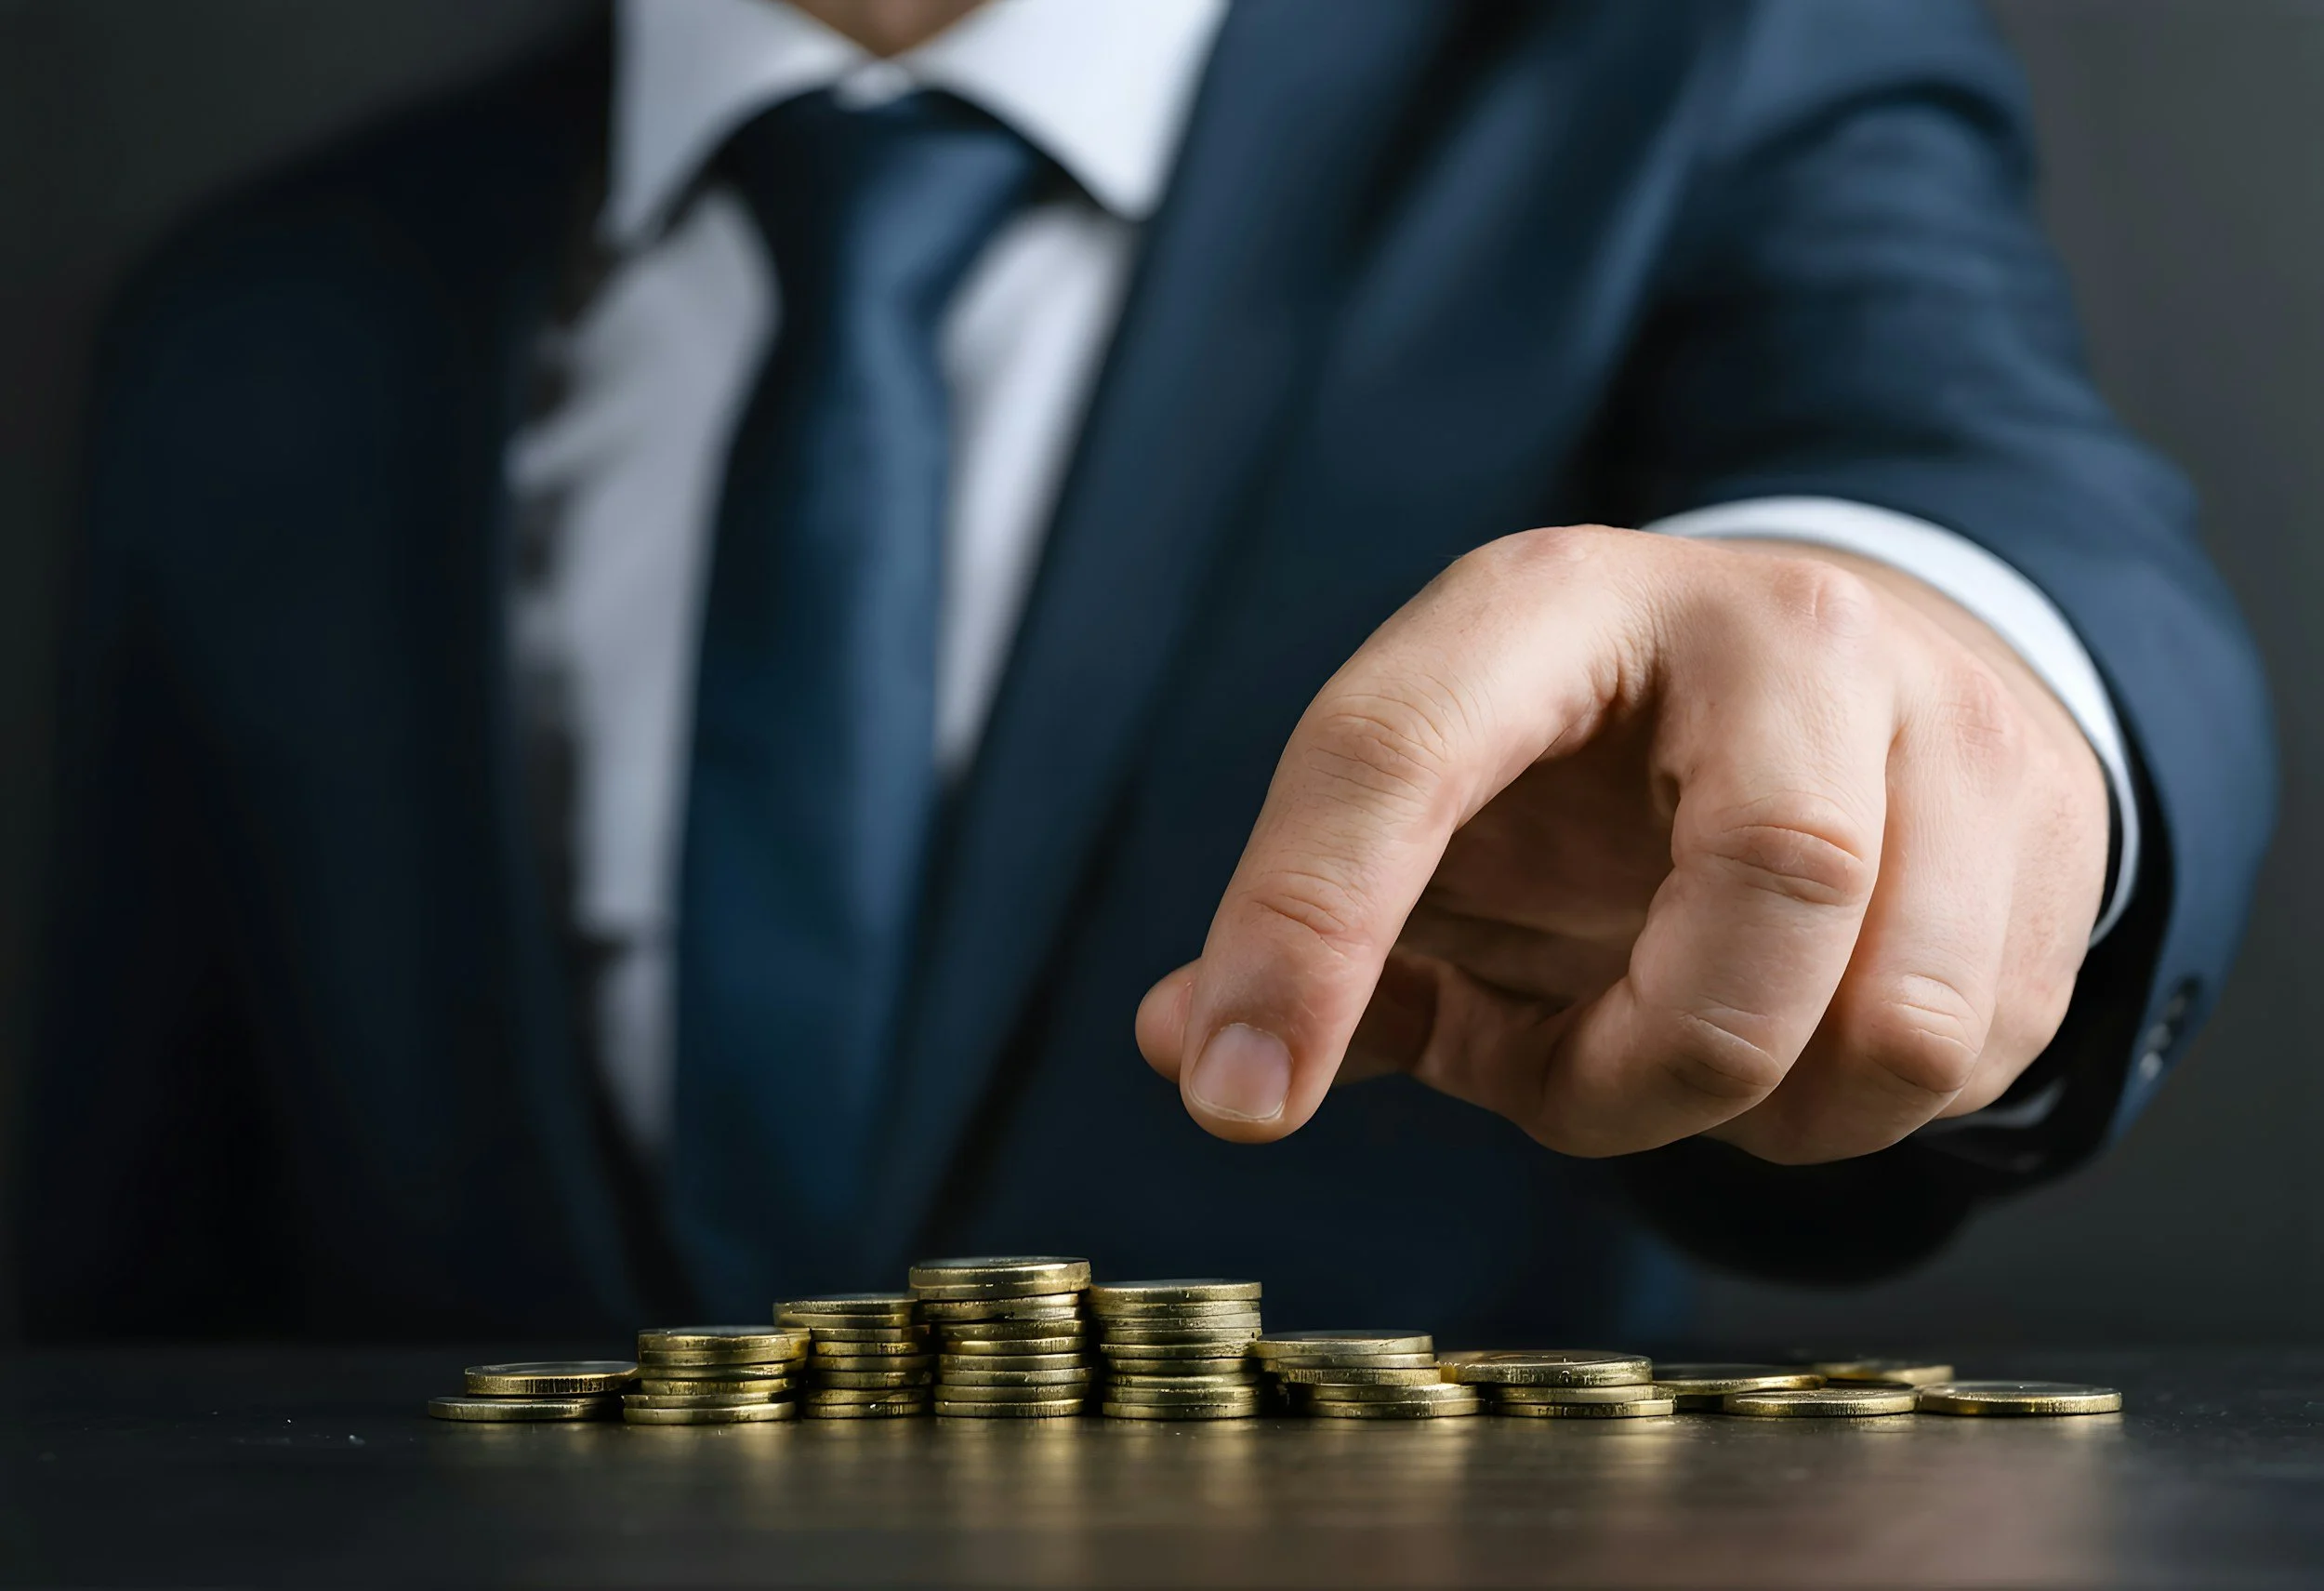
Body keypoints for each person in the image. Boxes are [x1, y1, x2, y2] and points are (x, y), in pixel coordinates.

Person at [24, 0, 2273, 1339]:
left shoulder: (1695, 70)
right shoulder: (265, 318)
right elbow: (135, 1261)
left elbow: (1965, 475)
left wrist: (1920, 665)